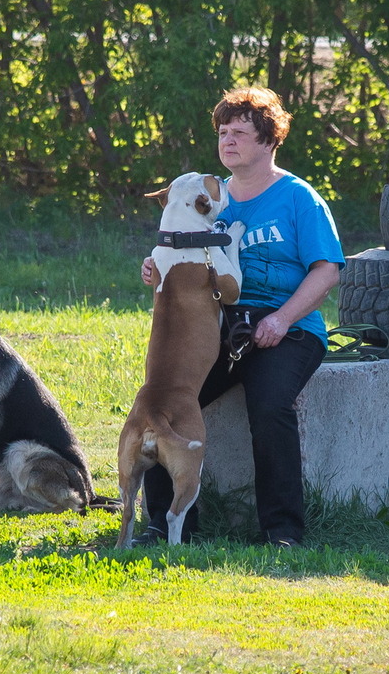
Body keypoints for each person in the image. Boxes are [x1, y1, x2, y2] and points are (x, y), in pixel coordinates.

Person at [139, 87, 344, 545]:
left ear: (269, 140)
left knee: (270, 406)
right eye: (222, 132)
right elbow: (184, 258)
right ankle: (163, 524)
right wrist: (158, 269)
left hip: (286, 328)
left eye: (240, 133)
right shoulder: (210, 197)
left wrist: (283, 320)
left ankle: (282, 531)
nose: (227, 141)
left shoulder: (299, 198)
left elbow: (327, 271)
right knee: (162, 401)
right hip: (218, 327)